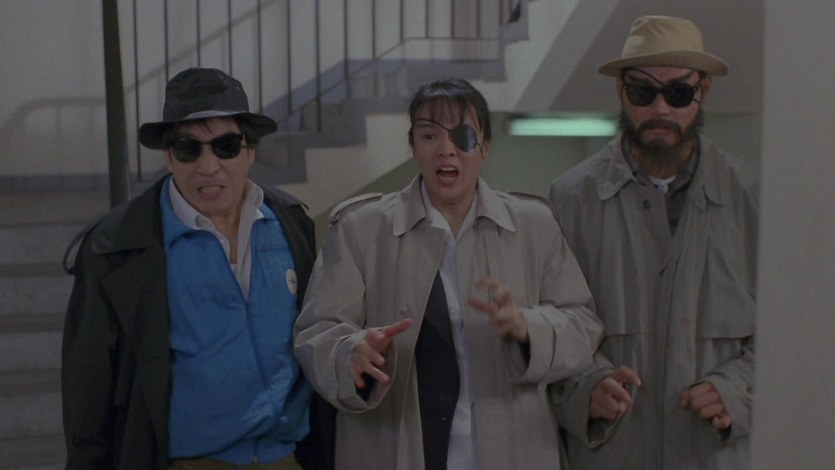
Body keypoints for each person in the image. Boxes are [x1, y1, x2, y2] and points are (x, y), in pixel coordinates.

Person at [293, 76, 603, 470]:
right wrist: (350, 354)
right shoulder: (361, 229)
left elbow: (582, 323)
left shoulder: (534, 225)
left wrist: (530, 327)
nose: (446, 149)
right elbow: (317, 330)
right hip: (392, 448)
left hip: (515, 449)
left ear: (485, 146)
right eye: (429, 136)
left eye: (463, 136)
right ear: (413, 146)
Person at [61, 67, 327, 469]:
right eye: (190, 149)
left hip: (288, 457)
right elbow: (88, 385)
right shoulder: (117, 247)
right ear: (170, 157)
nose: (208, 165)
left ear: (249, 152)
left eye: (225, 146)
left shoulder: (291, 222)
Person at [548, 15, 758, 470]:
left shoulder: (752, 199)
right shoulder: (570, 201)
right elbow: (550, 329)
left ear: (704, 90)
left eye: (678, 93)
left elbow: (795, 334)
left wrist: (737, 390)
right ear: (621, 89)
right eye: (644, 92)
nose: (661, 108)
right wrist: (585, 390)